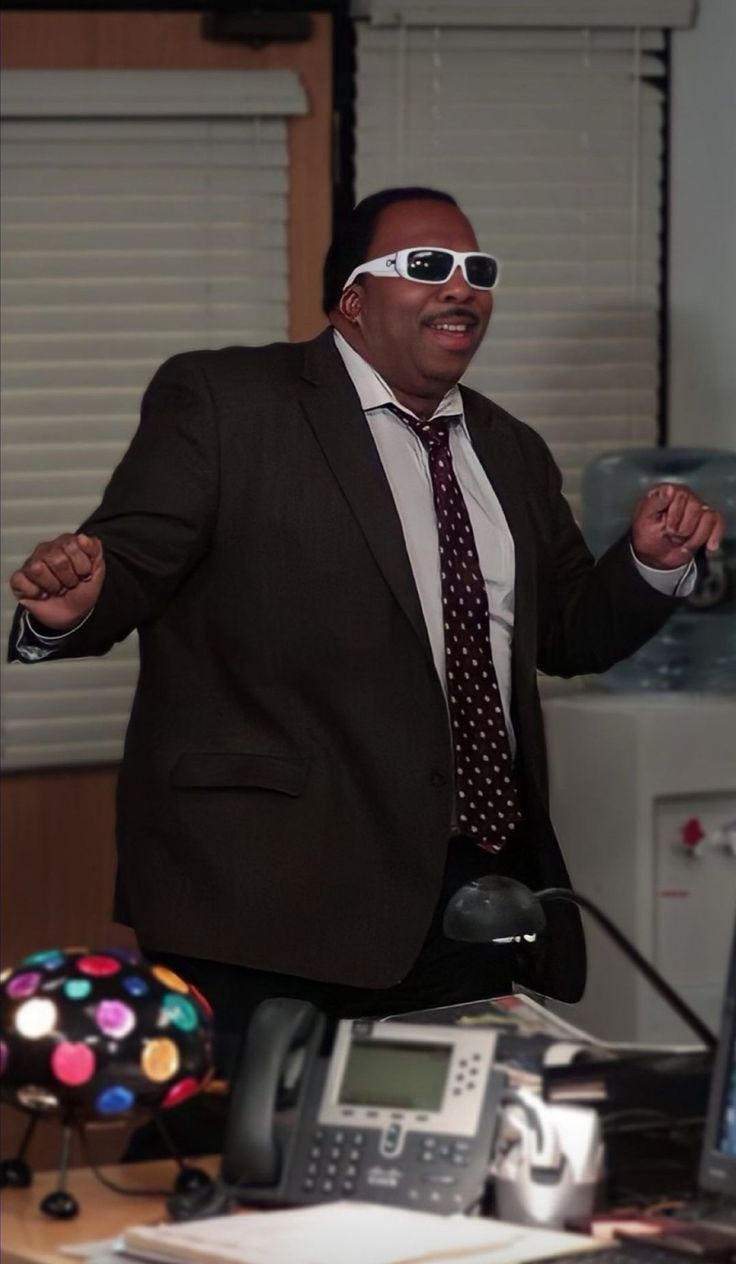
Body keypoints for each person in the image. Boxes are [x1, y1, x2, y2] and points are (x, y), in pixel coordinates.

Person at [8, 186, 724, 1061]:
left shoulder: (511, 448)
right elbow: (135, 560)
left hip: (470, 893)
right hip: (269, 899)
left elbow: (569, 633)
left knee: (445, 1167)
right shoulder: (230, 401)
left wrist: (650, 563)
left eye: (477, 271)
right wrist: (79, 602)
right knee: (255, 1173)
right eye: (428, 267)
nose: (460, 288)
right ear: (354, 298)